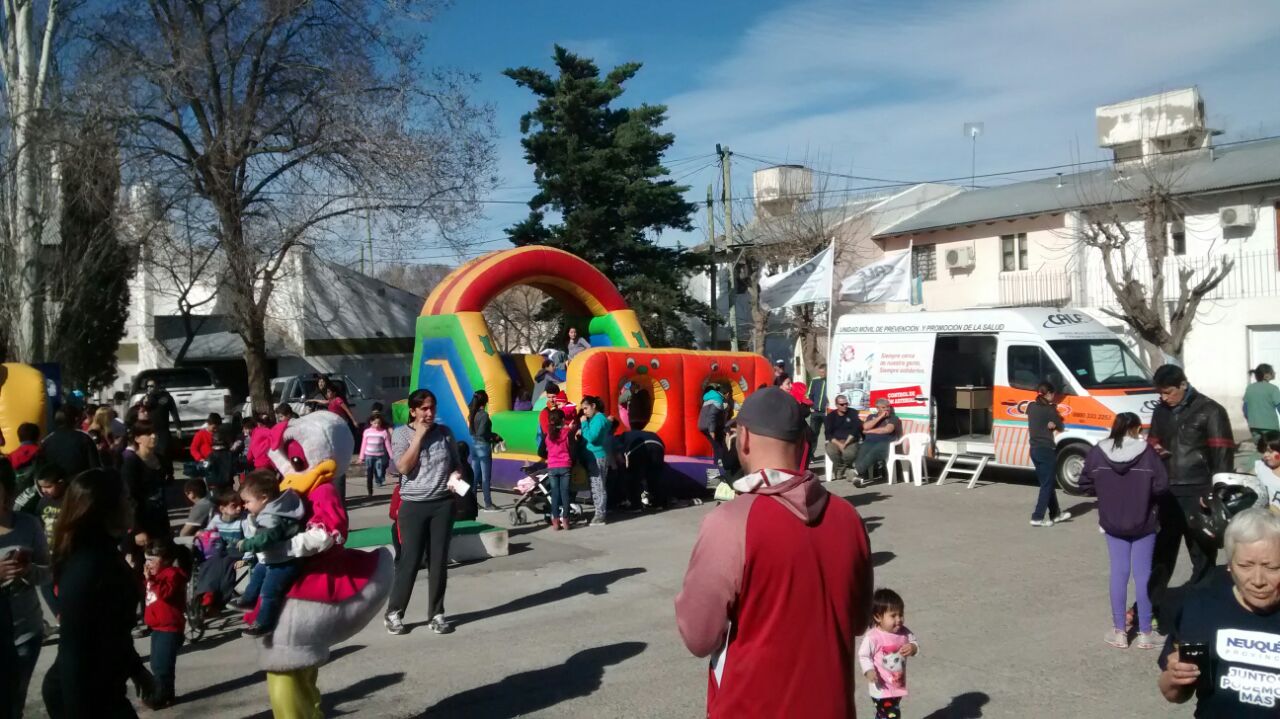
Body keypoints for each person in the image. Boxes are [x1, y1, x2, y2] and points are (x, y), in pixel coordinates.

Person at [676, 387, 873, 718]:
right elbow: (857, 621)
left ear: (746, 438)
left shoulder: (729, 522)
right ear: (802, 444)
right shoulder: (848, 517)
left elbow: (698, 637)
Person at [41, 468, 154, 718]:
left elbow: (113, 629)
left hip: (107, 685)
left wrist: (137, 669)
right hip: (80, 695)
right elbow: (73, 648)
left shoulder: (106, 551)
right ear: (105, 509)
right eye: (125, 498)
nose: (131, 504)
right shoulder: (87, 566)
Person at [1157, 508, 1280, 716]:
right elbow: (1175, 694)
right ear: (1230, 565)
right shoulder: (1200, 607)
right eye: (1245, 565)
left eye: (1272, 567)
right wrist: (1174, 678)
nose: (1258, 580)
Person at [1148, 364, 1234, 631]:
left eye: (1169, 392)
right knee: (1161, 556)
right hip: (1167, 493)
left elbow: (1223, 459)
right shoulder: (1160, 410)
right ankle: (1155, 610)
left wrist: (1214, 495)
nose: (1164, 398)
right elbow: (1152, 442)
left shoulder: (1211, 410)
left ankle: (1201, 611)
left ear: (1183, 385)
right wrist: (1155, 450)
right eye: (1160, 393)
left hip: (1199, 492)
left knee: (1203, 556)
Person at [1079, 412, 1169, 649]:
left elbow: (1084, 483)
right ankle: (1146, 634)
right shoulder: (1148, 453)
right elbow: (1161, 486)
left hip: (1112, 521)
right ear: (1137, 429)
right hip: (1144, 522)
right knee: (1143, 576)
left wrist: (1105, 493)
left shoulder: (1098, 451)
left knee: (1118, 573)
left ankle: (1120, 632)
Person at [384, 389, 461, 636]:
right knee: (410, 560)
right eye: (424, 409)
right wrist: (418, 436)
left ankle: (437, 613)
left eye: (432, 408)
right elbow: (403, 467)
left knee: (439, 561)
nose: (429, 413)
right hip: (413, 506)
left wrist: (457, 474)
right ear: (413, 411)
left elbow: (458, 464)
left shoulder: (445, 434)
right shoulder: (401, 434)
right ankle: (394, 613)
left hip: (442, 504)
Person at [1, 457, 51, 717]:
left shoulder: (28, 525)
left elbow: (48, 571)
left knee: (14, 704)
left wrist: (30, 571)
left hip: (25, 633)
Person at [234, 470, 305, 637]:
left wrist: (246, 544)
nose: (245, 506)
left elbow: (266, 539)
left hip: (284, 562)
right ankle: (249, 599)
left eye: (247, 501)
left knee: (269, 591)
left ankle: (265, 624)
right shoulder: (274, 510)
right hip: (275, 559)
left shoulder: (270, 517)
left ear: (264, 498)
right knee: (258, 571)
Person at [857, 588, 920, 719]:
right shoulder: (873, 637)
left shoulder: (904, 632)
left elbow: (914, 642)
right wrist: (868, 670)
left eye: (901, 614)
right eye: (893, 616)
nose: (899, 619)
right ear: (877, 617)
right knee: (892, 715)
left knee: (885, 715)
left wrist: (912, 648)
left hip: (897, 685)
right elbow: (863, 655)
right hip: (881, 688)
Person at [142, 540, 188, 708]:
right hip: (157, 627)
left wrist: (152, 581)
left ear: (166, 560)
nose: (148, 564)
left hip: (170, 627)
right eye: (146, 560)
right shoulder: (155, 576)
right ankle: (166, 693)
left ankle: (162, 695)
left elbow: (165, 594)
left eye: (152, 560)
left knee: (163, 665)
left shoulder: (173, 574)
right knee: (156, 662)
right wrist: (149, 579)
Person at [120, 421, 171, 551]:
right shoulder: (131, 462)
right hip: (141, 522)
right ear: (137, 439)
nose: (154, 436)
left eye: (155, 433)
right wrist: (137, 529)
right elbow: (129, 497)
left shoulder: (160, 458)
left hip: (160, 519)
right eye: (148, 434)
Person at [1027, 380, 1071, 527]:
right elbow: (1061, 426)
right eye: (1054, 394)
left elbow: (1038, 419)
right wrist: (1053, 424)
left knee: (1047, 483)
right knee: (1047, 485)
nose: (1055, 397)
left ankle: (1055, 514)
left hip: (1034, 450)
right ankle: (1037, 517)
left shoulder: (1031, 407)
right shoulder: (1050, 410)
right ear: (1049, 394)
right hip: (1046, 450)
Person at [33, 466, 66, 623]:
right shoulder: (43, 502)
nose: (44, 490)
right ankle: (60, 615)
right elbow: (39, 525)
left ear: (61, 483)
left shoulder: (69, 501)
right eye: (42, 487)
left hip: (67, 552)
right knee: (46, 584)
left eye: (48, 486)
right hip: (49, 551)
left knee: (67, 585)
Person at [39, 409, 100, 480]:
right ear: (75, 419)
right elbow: (95, 467)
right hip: (79, 484)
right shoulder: (84, 438)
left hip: (55, 485)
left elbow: (41, 468)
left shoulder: (46, 441)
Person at [142, 378, 184, 482]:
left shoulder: (166, 397)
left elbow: (174, 412)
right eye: (148, 386)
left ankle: (169, 474)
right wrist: (144, 402)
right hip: (150, 430)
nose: (149, 388)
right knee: (152, 453)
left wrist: (178, 427)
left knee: (165, 452)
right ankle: (156, 475)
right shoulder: (146, 398)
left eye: (152, 386)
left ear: (157, 386)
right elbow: (139, 411)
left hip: (163, 430)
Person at [579, 396, 611, 527]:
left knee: (598, 485)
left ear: (593, 406)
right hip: (594, 455)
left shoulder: (598, 419)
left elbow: (592, 437)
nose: (584, 412)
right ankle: (599, 512)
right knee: (596, 484)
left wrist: (584, 424)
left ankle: (600, 515)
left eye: (586, 408)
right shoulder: (598, 419)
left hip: (597, 455)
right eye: (583, 409)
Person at [467, 391, 501, 512]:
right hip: (483, 446)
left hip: (474, 445)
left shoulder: (472, 413)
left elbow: (472, 432)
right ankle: (488, 503)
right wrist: (494, 436)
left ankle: (473, 502)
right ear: (485, 401)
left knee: (475, 476)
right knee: (486, 477)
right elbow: (482, 433)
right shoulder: (484, 415)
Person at [855, 399, 902, 486]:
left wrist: (869, 432)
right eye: (884, 407)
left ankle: (857, 472)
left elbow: (887, 430)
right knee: (862, 450)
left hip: (885, 443)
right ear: (877, 408)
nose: (887, 409)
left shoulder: (893, 418)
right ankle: (860, 476)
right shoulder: (871, 416)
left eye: (888, 407)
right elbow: (865, 426)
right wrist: (880, 417)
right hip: (869, 442)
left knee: (873, 452)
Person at [544, 408, 574, 531]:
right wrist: (569, 428)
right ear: (562, 420)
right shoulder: (566, 433)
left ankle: (555, 521)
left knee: (555, 494)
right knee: (565, 494)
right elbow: (570, 447)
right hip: (565, 465)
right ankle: (566, 521)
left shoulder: (548, 436)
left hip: (552, 466)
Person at [824, 394, 862, 482]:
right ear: (837, 405)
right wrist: (839, 444)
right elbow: (828, 433)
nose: (845, 406)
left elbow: (855, 429)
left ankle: (840, 470)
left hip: (850, 440)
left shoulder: (853, 412)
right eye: (842, 404)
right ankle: (847, 469)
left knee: (849, 454)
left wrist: (845, 444)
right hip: (835, 440)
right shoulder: (831, 416)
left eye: (846, 404)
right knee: (831, 451)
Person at [1243, 364, 1280, 447]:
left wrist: (1251, 419)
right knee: (1273, 450)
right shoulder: (1273, 389)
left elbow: (1245, 408)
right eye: (1272, 372)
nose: (1275, 373)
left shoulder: (1250, 388)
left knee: (1260, 448)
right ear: (1267, 375)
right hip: (1270, 427)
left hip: (1254, 426)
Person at [359, 412, 393, 496]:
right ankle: (370, 491)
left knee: (379, 471)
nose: (377, 425)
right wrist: (361, 457)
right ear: (371, 422)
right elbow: (363, 444)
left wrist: (392, 456)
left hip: (379, 456)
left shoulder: (383, 432)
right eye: (375, 423)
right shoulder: (367, 432)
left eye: (379, 423)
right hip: (369, 456)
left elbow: (387, 445)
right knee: (369, 473)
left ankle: (379, 479)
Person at [698, 385, 729, 475]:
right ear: (727, 394)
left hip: (702, 426)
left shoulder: (709, 398)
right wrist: (712, 430)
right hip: (710, 427)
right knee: (719, 448)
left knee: (717, 448)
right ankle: (717, 475)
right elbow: (712, 415)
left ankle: (715, 475)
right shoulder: (718, 400)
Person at [203, 426, 238, 490]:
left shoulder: (210, 456)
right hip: (228, 484)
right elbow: (236, 470)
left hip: (214, 485)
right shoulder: (231, 455)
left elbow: (205, 470)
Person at [1252, 432, 1280, 509]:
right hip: (1261, 515)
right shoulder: (1261, 466)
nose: (1265, 455)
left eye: (1270, 451)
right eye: (1263, 451)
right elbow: (1244, 479)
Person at [807, 364, 829, 449]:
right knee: (813, 434)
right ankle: (811, 455)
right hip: (815, 412)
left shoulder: (830, 381)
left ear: (827, 372)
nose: (820, 374)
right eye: (819, 372)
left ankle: (829, 455)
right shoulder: (815, 381)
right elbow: (810, 394)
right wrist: (811, 406)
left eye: (823, 372)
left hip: (826, 413)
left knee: (828, 434)